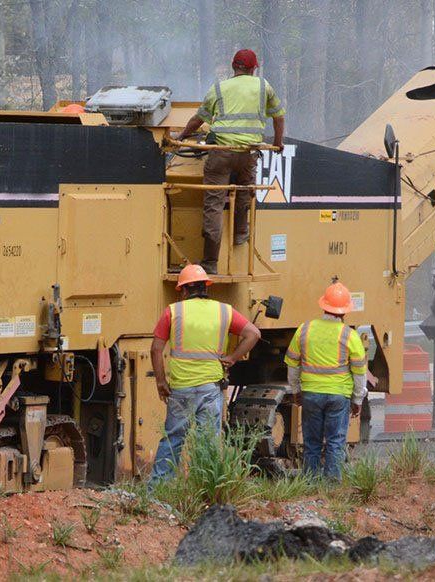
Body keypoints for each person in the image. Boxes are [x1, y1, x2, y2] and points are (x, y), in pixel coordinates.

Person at [176, 49, 286, 275]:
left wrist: (181, 136)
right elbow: (279, 116)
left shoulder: (219, 88)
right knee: (245, 191)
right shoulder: (263, 86)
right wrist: (277, 143)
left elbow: (198, 119)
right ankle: (240, 234)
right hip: (248, 154)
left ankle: (210, 262)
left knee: (214, 205)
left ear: (233, 66)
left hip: (221, 153)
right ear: (253, 68)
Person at [149, 263, 261, 482]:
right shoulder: (224, 311)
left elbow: (156, 349)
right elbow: (254, 334)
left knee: (173, 439)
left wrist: (161, 382)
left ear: (183, 290)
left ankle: (157, 489)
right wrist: (232, 358)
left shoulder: (173, 311)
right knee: (208, 441)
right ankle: (205, 488)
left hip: (181, 388)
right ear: (206, 287)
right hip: (211, 388)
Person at [284, 282, 368, 479]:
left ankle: (311, 483)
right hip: (338, 396)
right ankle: (332, 485)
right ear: (345, 311)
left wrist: (296, 391)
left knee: (311, 442)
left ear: (323, 306)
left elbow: (292, 364)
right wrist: (357, 399)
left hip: (311, 395)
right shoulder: (350, 335)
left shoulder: (304, 330)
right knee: (335, 442)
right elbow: (359, 373)